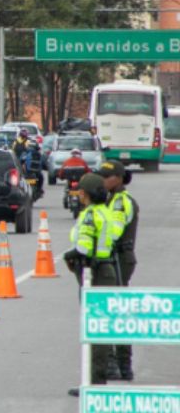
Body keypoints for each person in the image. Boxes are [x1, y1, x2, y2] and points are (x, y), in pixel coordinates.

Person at [64, 171, 117, 396]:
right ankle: (98, 379)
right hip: (107, 269)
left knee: (92, 330)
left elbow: (84, 247)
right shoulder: (107, 212)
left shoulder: (88, 215)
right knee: (101, 329)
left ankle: (93, 383)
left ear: (84, 194)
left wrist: (69, 255)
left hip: (92, 273)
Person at [99, 160, 138, 381]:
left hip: (120, 258)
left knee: (114, 310)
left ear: (119, 178)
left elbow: (113, 232)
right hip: (115, 258)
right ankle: (120, 364)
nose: (103, 180)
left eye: (107, 176)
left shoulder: (121, 202)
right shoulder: (111, 199)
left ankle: (118, 364)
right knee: (114, 309)